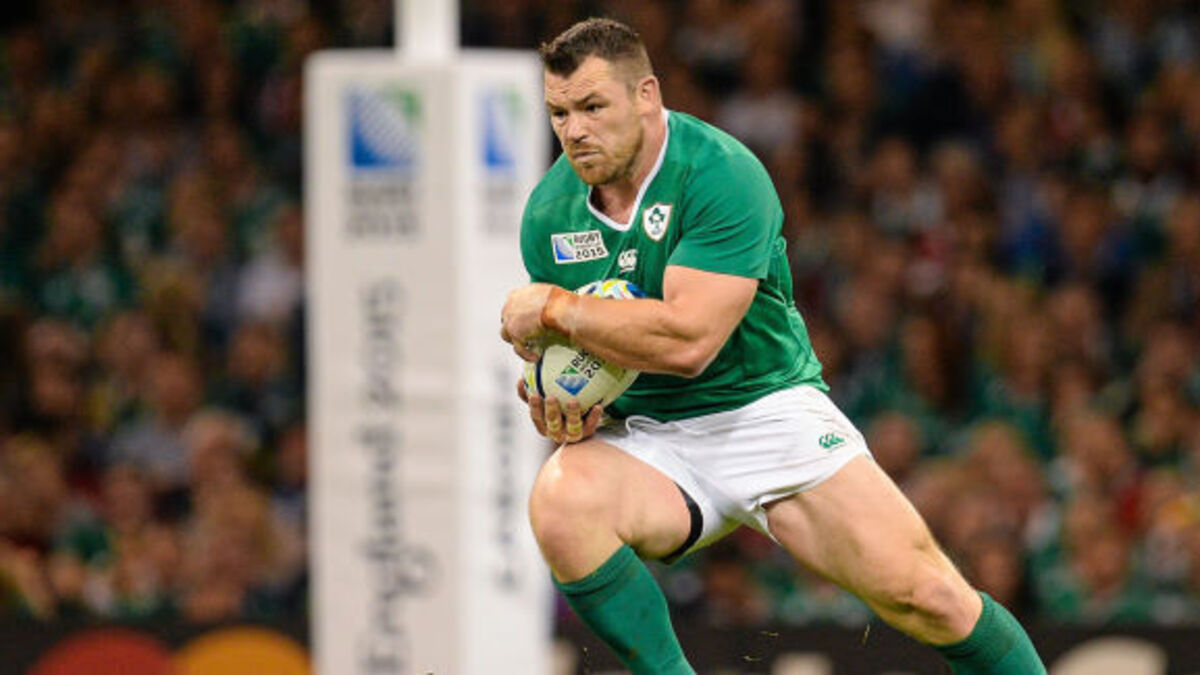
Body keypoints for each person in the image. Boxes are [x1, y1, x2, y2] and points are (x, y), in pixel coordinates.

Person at [500, 17, 1046, 675]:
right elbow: (587, 350)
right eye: (559, 113)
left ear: (646, 95)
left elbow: (690, 340)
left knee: (930, 597)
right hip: (652, 432)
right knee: (560, 502)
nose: (575, 130)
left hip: (763, 409)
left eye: (593, 106)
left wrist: (556, 308)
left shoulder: (721, 173)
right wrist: (567, 401)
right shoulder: (549, 215)